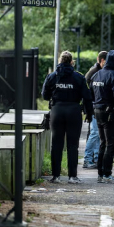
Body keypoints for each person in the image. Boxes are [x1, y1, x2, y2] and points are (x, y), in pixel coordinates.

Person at [42, 51, 93, 184]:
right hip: (74, 112)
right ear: (72, 62)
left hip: (57, 111)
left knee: (56, 144)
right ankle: (72, 176)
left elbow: (44, 95)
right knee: (72, 145)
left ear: (59, 61)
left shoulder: (52, 76)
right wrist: (89, 113)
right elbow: (87, 97)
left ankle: (56, 176)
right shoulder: (79, 77)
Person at [90, 50, 114, 183]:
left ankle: (100, 173)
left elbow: (91, 93)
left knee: (103, 143)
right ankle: (107, 174)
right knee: (111, 143)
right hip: (110, 113)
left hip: (98, 111)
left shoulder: (97, 74)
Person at [82, 51, 107, 169]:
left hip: (94, 105)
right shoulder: (94, 72)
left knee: (97, 133)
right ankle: (87, 159)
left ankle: (96, 158)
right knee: (95, 133)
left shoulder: (95, 71)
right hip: (94, 106)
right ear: (102, 61)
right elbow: (87, 90)